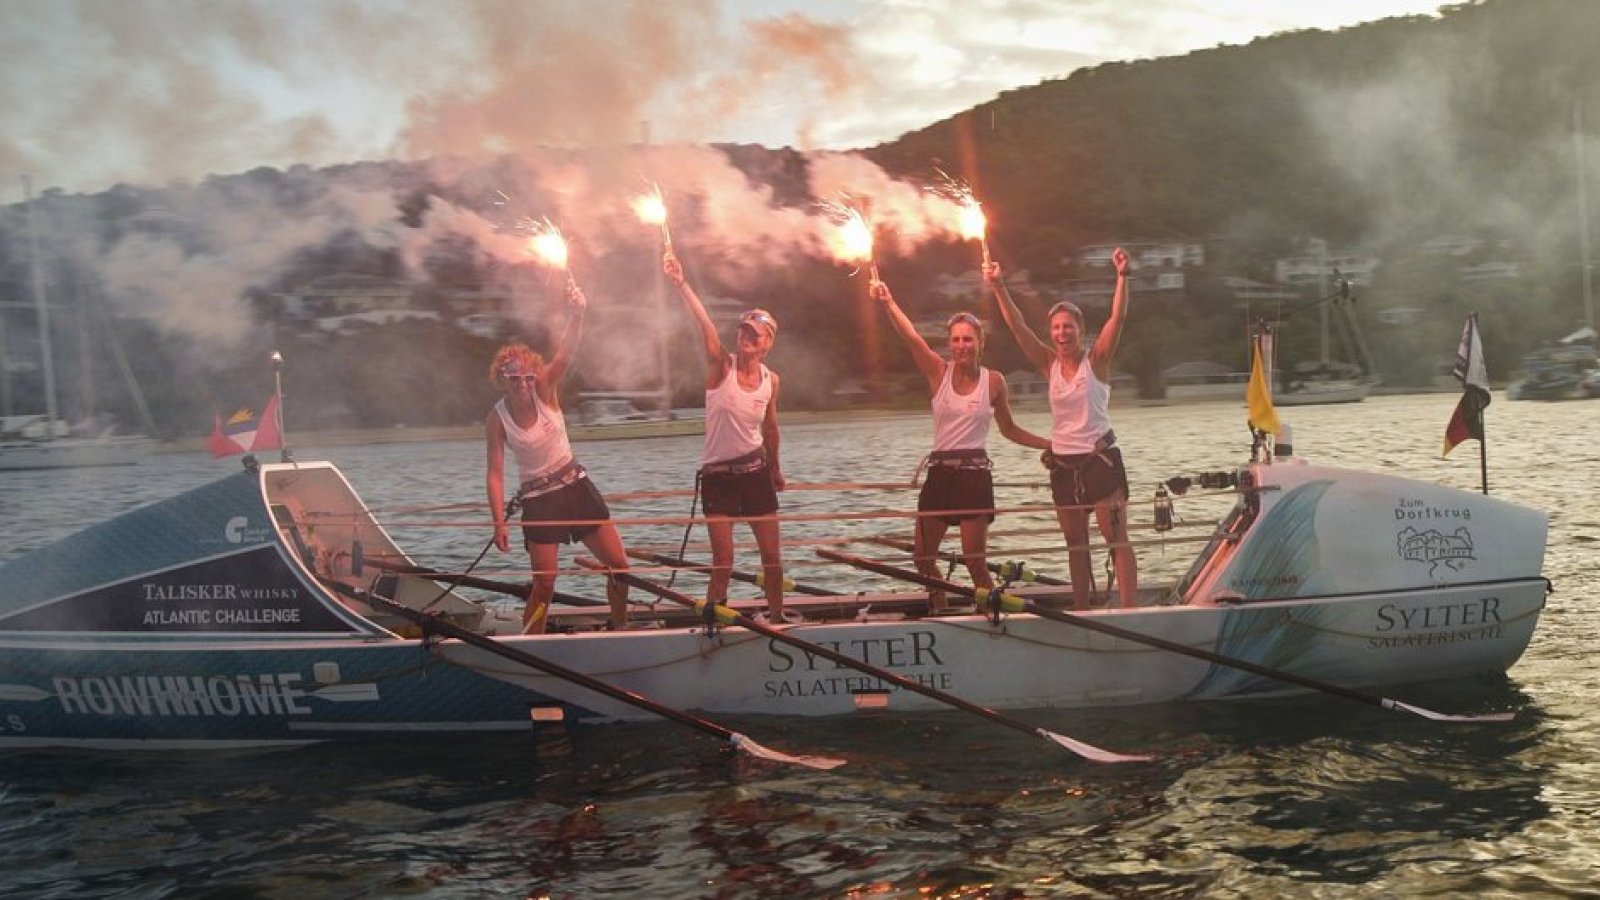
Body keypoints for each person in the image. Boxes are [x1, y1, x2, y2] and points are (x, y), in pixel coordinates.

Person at [868, 277, 1050, 612]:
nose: (961, 345)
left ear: (980, 342)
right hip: (939, 476)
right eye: (955, 340)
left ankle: (991, 612)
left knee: (974, 561)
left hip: (973, 478)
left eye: (968, 339)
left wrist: (1050, 444)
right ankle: (939, 604)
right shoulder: (938, 372)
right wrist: (888, 301)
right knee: (923, 557)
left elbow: (1010, 429)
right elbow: (911, 337)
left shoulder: (994, 381)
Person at [983, 248, 1138, 610]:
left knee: (1116, 539)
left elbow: (1117, 318)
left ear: (1080, 331)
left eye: (1068, 326)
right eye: (1056, 327)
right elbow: (1018, 327)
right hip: (1064, 465)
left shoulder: (1097, 360)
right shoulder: (1047, 363)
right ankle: (1081, 610)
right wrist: (999, 286)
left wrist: (1122, 276)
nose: (1062, 333)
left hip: (1100, 460)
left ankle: (1131, 610)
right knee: (1076, 545)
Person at [485, 280, 631, 633]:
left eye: (527, 377)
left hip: (575, 487)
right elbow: (495, 473)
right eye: (514, 379)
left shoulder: (544, 389)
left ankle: (621, 629)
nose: (523, 384)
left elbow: (565, 354)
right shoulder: (497, 418)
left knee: (620, 568)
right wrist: (499, 522)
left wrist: (577, 314)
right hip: (539, 500)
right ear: (502, 379)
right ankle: (531, 641)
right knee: (545, 584)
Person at [663, 251, 791, 623]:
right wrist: (682, 284)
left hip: (755, 474)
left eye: (754, 334)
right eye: (743, 331)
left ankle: (778, 617)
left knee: (772, 557)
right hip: (718, 478)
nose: (746, 338)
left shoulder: (771, 380)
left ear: (767, 343)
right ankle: (712, 623)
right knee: (724, 559)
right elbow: (704, 325)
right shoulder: (722, 366)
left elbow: (771, 429)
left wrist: (775, 470)